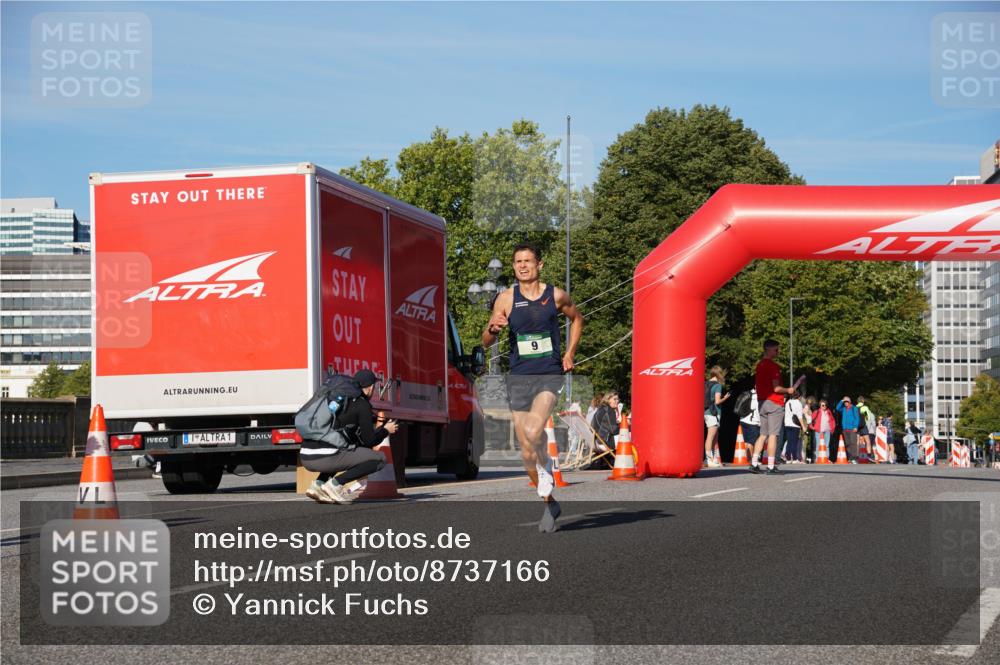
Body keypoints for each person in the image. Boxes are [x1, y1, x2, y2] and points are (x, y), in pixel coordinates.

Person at [483, 243, 584, 533]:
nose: (522, 266)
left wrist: (569, 354)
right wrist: (493, 329)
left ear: (540, 265)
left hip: (549, 374)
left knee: (533, 431)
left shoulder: (555, 296)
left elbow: (577, 319)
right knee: (527, 451)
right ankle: (549, 501)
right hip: (519, 377)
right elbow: (485, 341)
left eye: (528, 261)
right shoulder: (505, 299)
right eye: (517, 262)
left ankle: (546, 470)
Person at [302, 369, 399, 504]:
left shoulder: (339, 400)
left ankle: (318, 484)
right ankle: (335, 484)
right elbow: (369, 441)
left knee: (343, 450)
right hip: (325, 457)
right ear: (370, 387)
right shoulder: (362, 404)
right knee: (380, 459)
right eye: (374, 387)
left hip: (306, 456)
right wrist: (386, 430)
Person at [750, 339, 797, 475]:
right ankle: (771, 466)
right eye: (776, 350)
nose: (778, 352)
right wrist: (788, 390)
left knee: (763, 434)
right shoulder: (773, 366)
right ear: (769, 349)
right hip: (774, 403)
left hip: (762, 402)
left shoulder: (759, 365)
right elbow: (776, 388)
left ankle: (754, 463)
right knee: (773, 435)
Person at [703, 366, 730, 468]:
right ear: (719, 374)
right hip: (713, 413)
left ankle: (712, 459)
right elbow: (717, 401)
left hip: (706, 411)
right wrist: (725, 398)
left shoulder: (705, 383)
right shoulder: (717, 385)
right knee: (711, 436)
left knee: (714, 436)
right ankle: (708, 459)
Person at [836, 396, 861, 462]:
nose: (845, 403)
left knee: (853, 443)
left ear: (850, 402)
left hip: (852, 428)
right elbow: (837, 408)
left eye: (847, 402)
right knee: (847, 444)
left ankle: (855, 458)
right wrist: (841, 400)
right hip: (845, 429)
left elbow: (857, 418)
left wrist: (855, 426)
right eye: (844, 402)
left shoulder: (854, 408)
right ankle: (850, 457)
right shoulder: (843, 409)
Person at [784, 392, 804, 464]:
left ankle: (788, 458)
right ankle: (795, 458)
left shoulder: (788, 402)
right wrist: (803, 426)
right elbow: (800, 417)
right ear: (798, 396)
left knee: (789, 441)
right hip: (795, 425)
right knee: (794, 442)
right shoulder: (798, 403)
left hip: (787, 424)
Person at [801, 397, 815, 462]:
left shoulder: (807, 408)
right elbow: (807, 416)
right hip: (805, 424)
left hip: (806, 425)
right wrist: (809, 423)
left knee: (805, 442)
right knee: (804, 441)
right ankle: (803, 458)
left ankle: (803, 457)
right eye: (809, 403)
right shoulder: (806, 408)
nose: (810, 404)